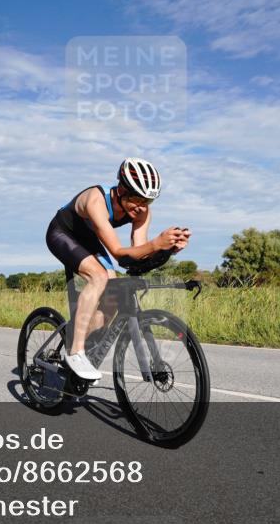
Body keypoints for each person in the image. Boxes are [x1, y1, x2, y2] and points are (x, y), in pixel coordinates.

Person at [45, 157, 190, 381]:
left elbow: (135, 256)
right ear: (121, 189)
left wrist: (166, 251)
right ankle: (75, 352)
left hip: (88, 239)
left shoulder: (141, 211)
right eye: (138, 199)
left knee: (112, 291)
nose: (142, 207)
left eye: (148, 201)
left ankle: (84, 339)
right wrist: (156, 243)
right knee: (99, 276)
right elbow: (117, 252)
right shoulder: (96, 200)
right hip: (62, 234)